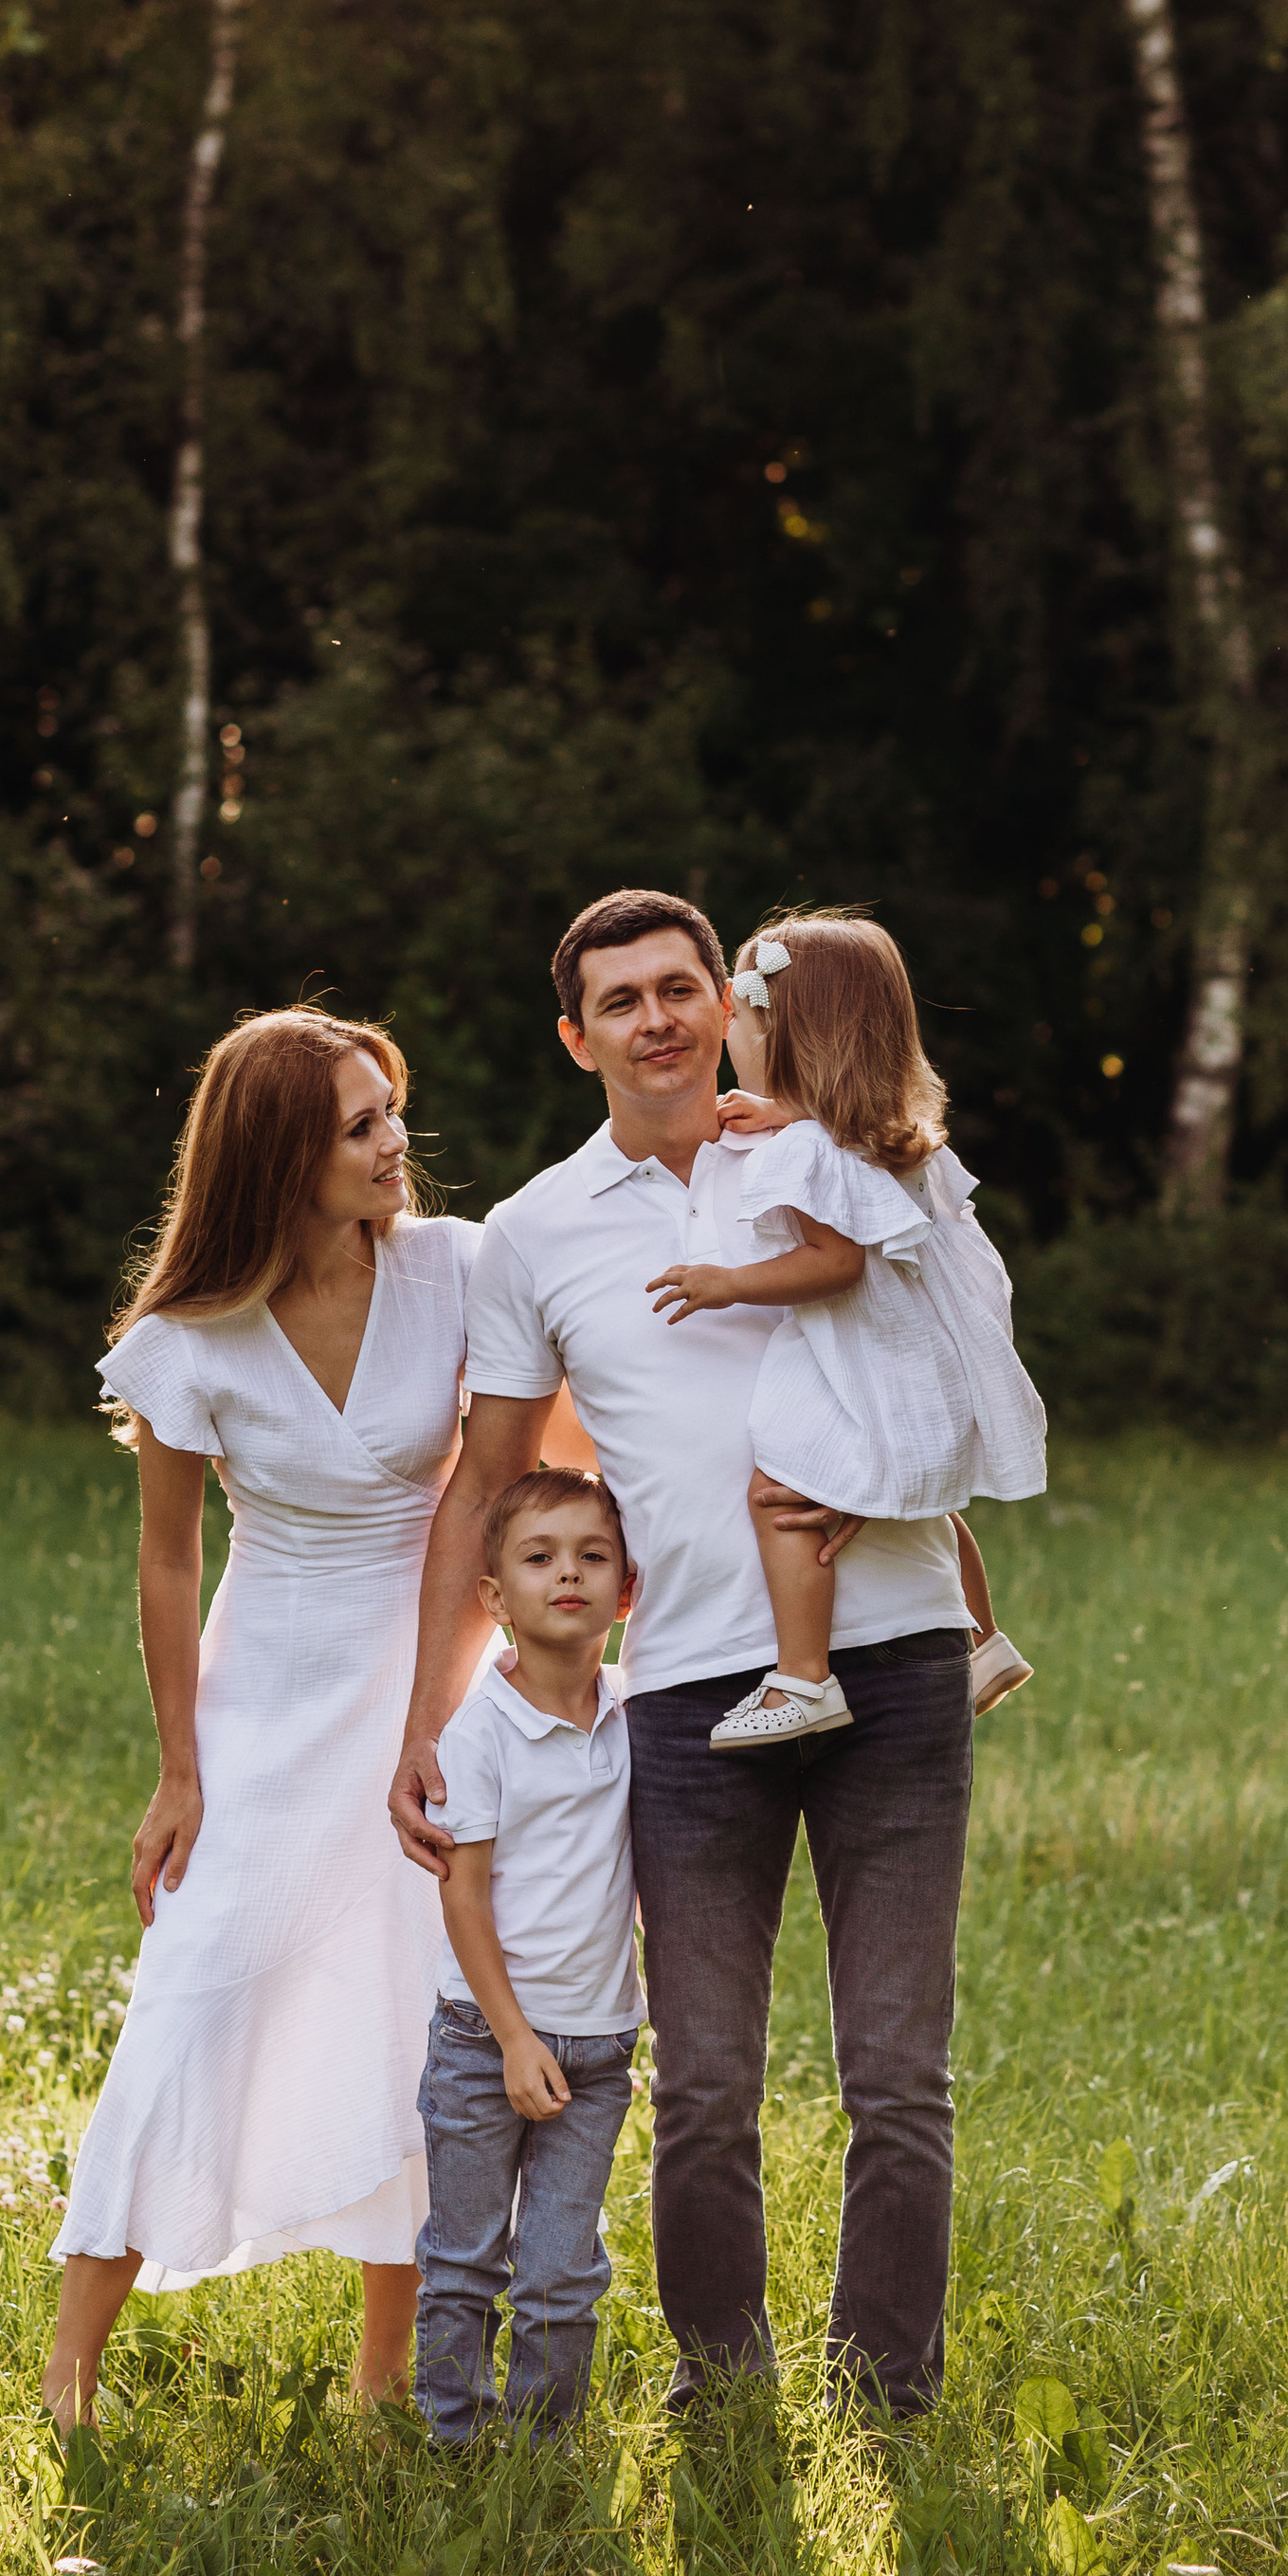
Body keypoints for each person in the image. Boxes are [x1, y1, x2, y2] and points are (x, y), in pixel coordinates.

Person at [389, 887, 977, 2421]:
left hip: (902, 1657)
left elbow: (967, 1363)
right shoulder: (535, 1233)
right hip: (697, 1692)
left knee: (898, 2076)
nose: (656, 1016)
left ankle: (887, 2394)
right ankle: (724, 2387)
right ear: (576, 1035)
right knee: (704, 2080)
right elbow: (492, 1482)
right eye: (621, 998)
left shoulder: (843, 1160)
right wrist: (431, 1710)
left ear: (728, 1000)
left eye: (679, 986)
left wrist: (892, 1477)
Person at [44, 1007, 487, 2431]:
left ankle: (382, 2379)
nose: (394, 1142)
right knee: (194, 1994)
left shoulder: (459, 1270)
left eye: (390, 1110)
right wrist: (180, 1769)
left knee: (413, 2009)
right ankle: (68, 2378)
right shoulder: (194, 1338)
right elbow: (168, 1558)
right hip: (271, 1693)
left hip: (430, 1686)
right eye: (360, 1125)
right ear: (279, 1154)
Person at [644, 913, 1045, 1746]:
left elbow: (837, 1263)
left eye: (743, 1023)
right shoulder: (883, 1140)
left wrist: (729, 1283)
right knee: (919, 1493)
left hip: (860, 1348)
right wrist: (787, 1112)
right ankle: (983, 1638)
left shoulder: (802, 1155)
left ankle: (803, 1676)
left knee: (777, 1486)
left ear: (774, 1032)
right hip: (921, 1353)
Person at [416, 1467, 643, 2444]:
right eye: (540, 1558)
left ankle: (543, 2452)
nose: (569, 1576)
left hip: (597, 2048)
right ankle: (451, 2441)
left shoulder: (640, 1711)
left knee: (563, 2267)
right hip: (482, 2039)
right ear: (495, 1598)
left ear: (626, 1591)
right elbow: (461, 1894)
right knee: (466, 2255)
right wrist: (511, 2040)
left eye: (593, 1558)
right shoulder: (480, 1730)